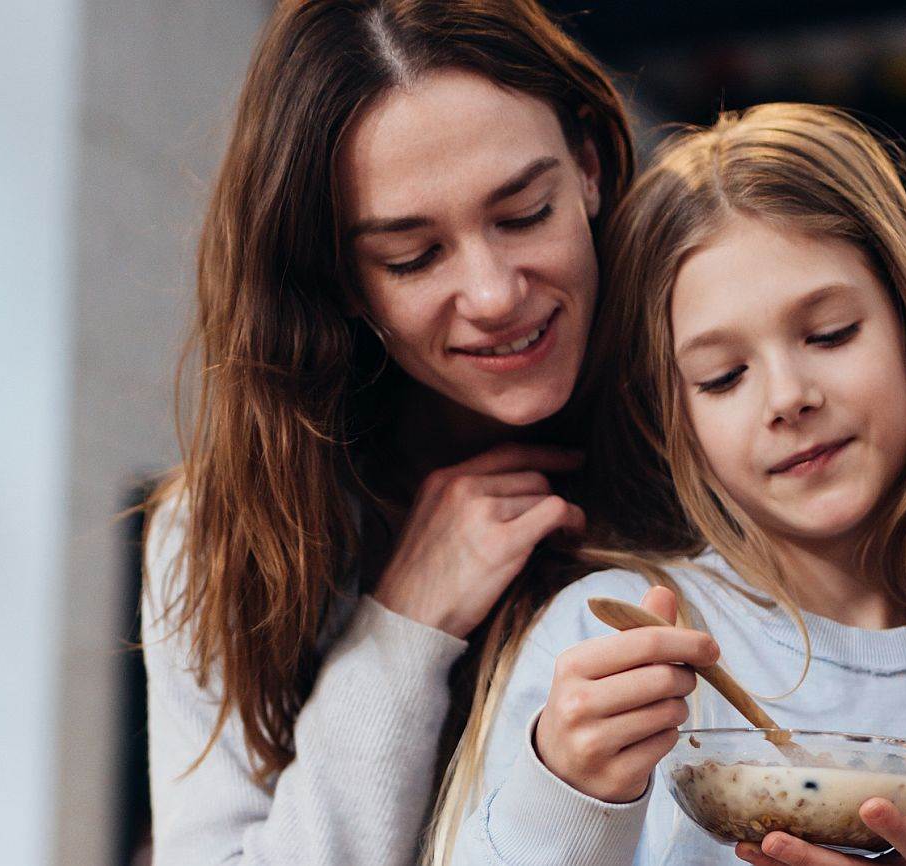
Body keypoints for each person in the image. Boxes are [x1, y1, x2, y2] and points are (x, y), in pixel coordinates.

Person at [445, 104, 906, 866]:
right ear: (673, 418)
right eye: (723, 376)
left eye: (831, 333)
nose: (787, 397)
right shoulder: (608, 645)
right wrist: (567, 796)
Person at [139, 2, 663, 863]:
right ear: (340, 279)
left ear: (591, 168)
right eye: (413, 257)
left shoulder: (722, 429)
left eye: (525, 212)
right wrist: (402, 629)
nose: (494, 294)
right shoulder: (216, 535)